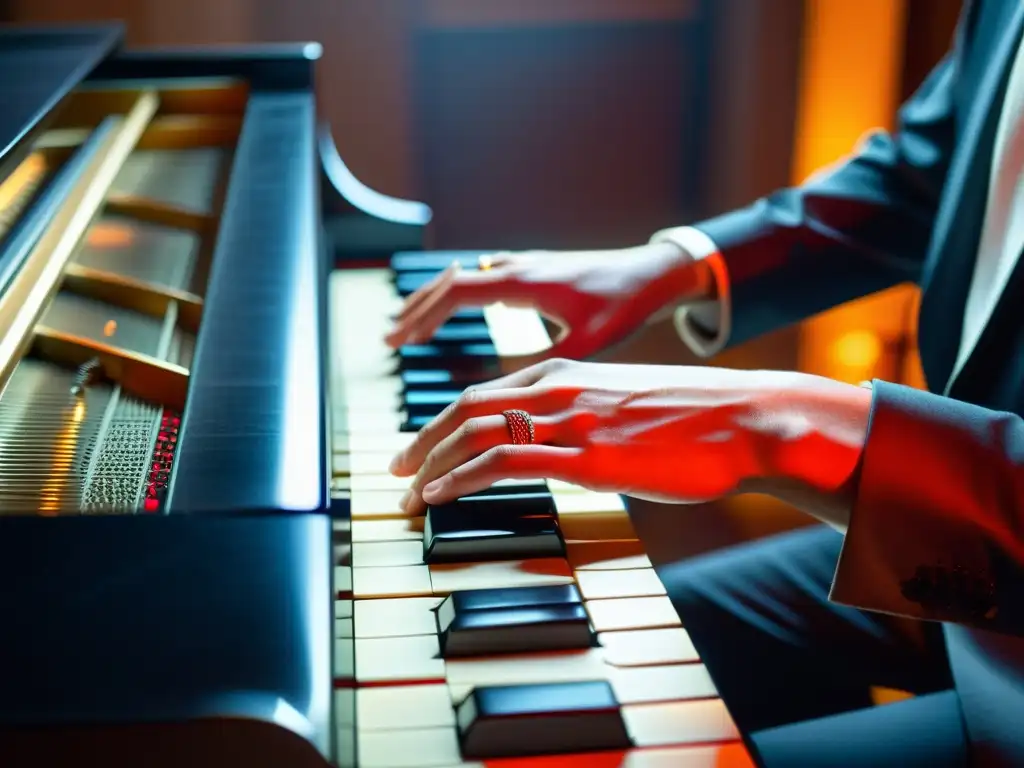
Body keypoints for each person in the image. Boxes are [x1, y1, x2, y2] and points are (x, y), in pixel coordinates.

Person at [385, 0, 1024, 765]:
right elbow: (932, 170)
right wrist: (673, 265)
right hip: (962, 547)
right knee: (592, 663)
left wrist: (785, 420)